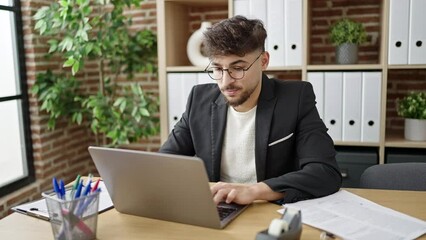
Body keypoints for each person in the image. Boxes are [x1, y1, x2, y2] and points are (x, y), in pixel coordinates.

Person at [159, 15, 341, 205]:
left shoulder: (295, 98)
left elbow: (325, 171)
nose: (226, 81)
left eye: (238, 68)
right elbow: (164, 164)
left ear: (263, 61)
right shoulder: (199, 99)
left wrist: (254, 191)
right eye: (218, 69)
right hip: (216, 208)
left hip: (269, 210)